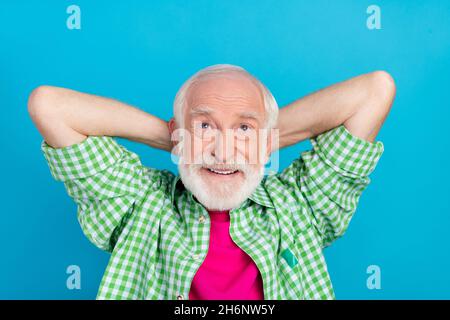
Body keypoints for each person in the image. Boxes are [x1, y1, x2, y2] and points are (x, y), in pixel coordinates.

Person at [28, 64, 395, 300]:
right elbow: (49, 106)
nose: (222, 151)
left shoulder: (300, 204)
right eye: (205, 126)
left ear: (268, 140)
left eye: (243, 128)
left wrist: (259, 144)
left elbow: (375, 91)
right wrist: (179, 139)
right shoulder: (141, 203)